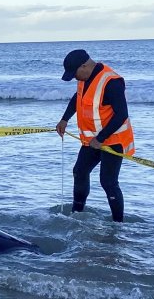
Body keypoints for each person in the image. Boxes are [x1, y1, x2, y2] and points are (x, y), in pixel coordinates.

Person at [55, 48, 135, 222]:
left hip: (113, 139)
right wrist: (64, 119)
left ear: (84, 66)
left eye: (74, 74)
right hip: (92, 140)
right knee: (79, 171)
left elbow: (122, 115)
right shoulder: (84, 78)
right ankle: (77, 214)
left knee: (108, 182)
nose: (75, 78)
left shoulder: (111, 81)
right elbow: (78, 97)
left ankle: (117, 224)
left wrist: (100, 138)